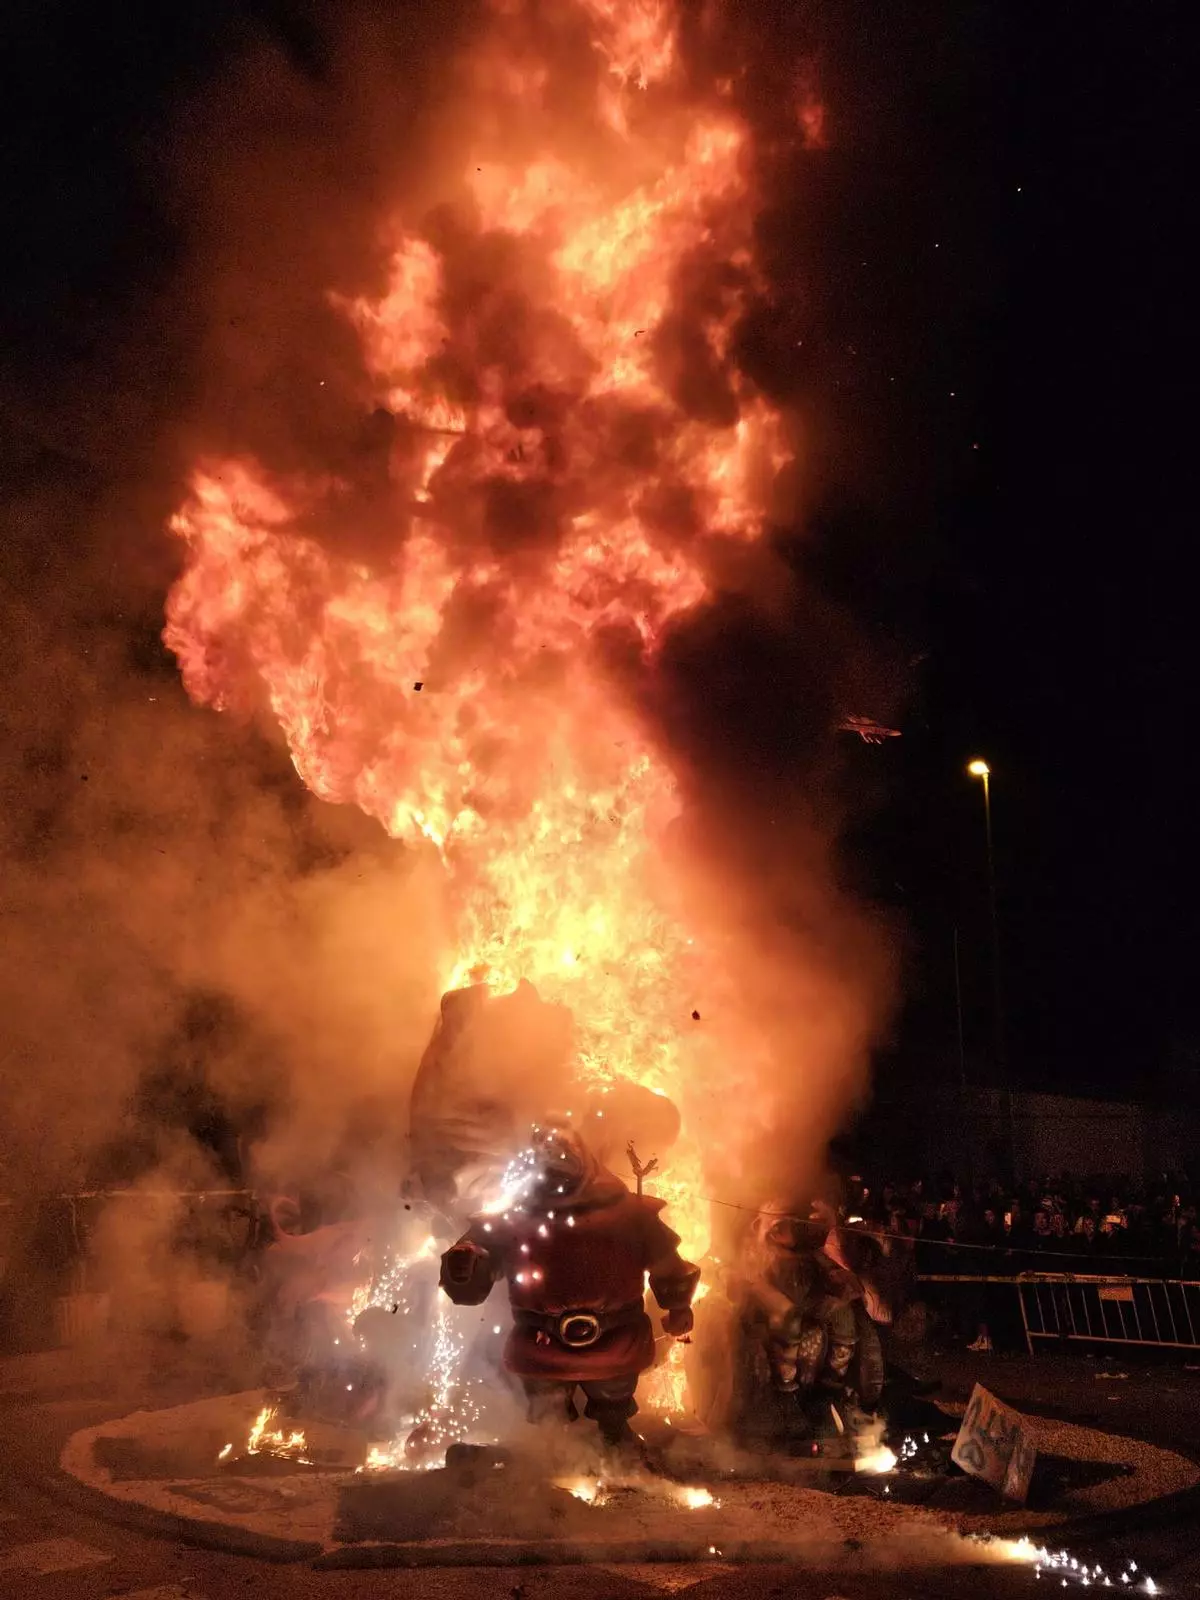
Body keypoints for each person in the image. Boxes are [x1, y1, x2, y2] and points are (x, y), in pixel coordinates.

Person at [439, 1122, 698, 1454]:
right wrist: (466, 1263)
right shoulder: (514, 1217)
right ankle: (555, 1454)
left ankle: (615, 1440)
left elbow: (664, 1259)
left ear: (584, 1157)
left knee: (614, 1400)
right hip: (541, 1341)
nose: (556, 1165)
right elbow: (478, 1259)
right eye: (547, 1157)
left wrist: (678, 1305)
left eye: (563, 1154)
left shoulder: (628, 1212)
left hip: (615, 1337)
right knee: (550, 1411)